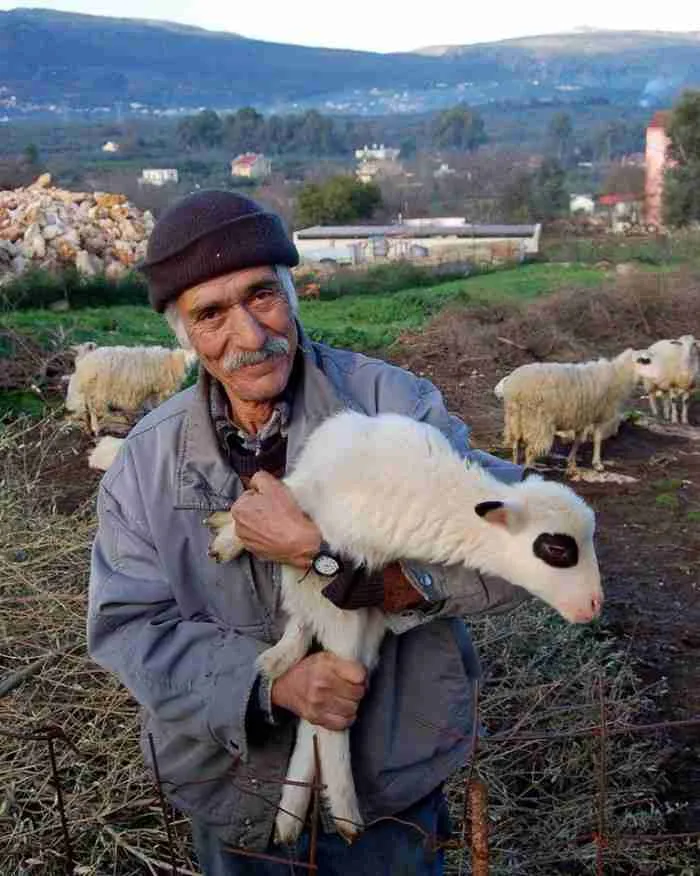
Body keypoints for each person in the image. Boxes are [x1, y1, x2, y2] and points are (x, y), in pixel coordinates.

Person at [87, 191, 528, 875]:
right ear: (184, 333)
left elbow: (517, 538)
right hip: (233, 796)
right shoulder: (144, 465)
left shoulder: (395, 410)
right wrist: (272, 687)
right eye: (211, 314)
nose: (251, 337)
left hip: (389, 787)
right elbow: (131, 627)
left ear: (292, 291)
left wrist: (341, 569)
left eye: (262, 296)